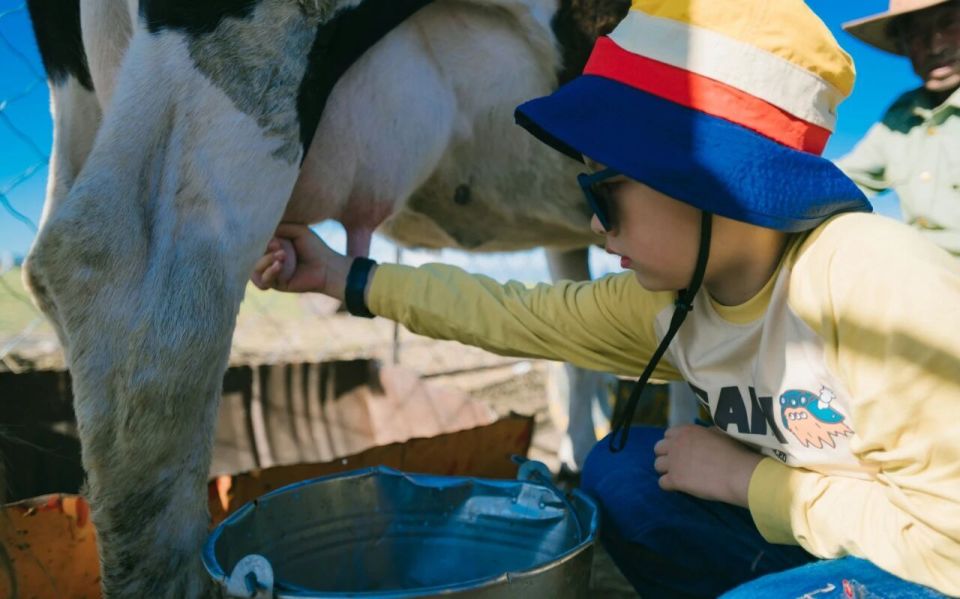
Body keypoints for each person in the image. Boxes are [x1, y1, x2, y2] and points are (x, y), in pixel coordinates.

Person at [252, 0, 960, 596]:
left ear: (704, 174)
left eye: (603, 190)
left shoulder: (873, 283)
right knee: (619, 472)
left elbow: (948, 545)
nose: (593, 224)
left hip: (912, 554)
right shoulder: (677, 299)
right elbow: (513, 312)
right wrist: (345, 276)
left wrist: (751, 483)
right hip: (815, 524)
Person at [839, 0, 960, 255]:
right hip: (920, 275)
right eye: (916, 34)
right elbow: (846, 181)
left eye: (949, 23)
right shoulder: (902, 114)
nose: (934, 46)